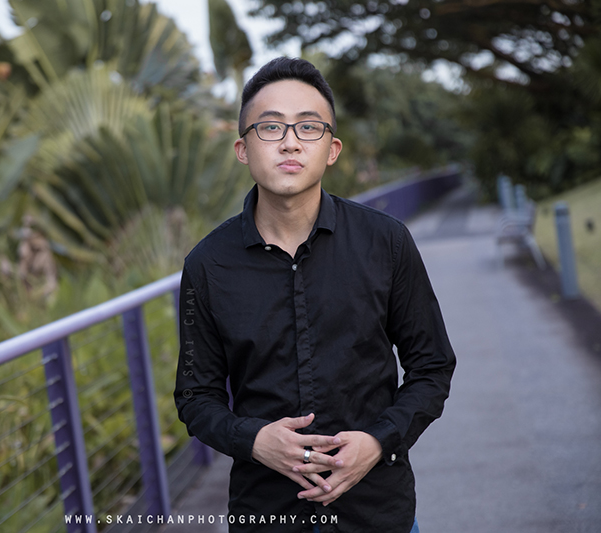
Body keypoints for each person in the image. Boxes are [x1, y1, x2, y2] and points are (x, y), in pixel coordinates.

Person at [174, 57, 456, 533]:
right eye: (270, 127)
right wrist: (255, 439)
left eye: (308, 127)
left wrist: (379, 441)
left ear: (332, 149)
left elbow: (431, 367)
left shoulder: (386, 242)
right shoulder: (207, 265)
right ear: (242, 149)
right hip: (266, 514)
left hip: (377, 511)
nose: (289, 141)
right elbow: (196, 397)